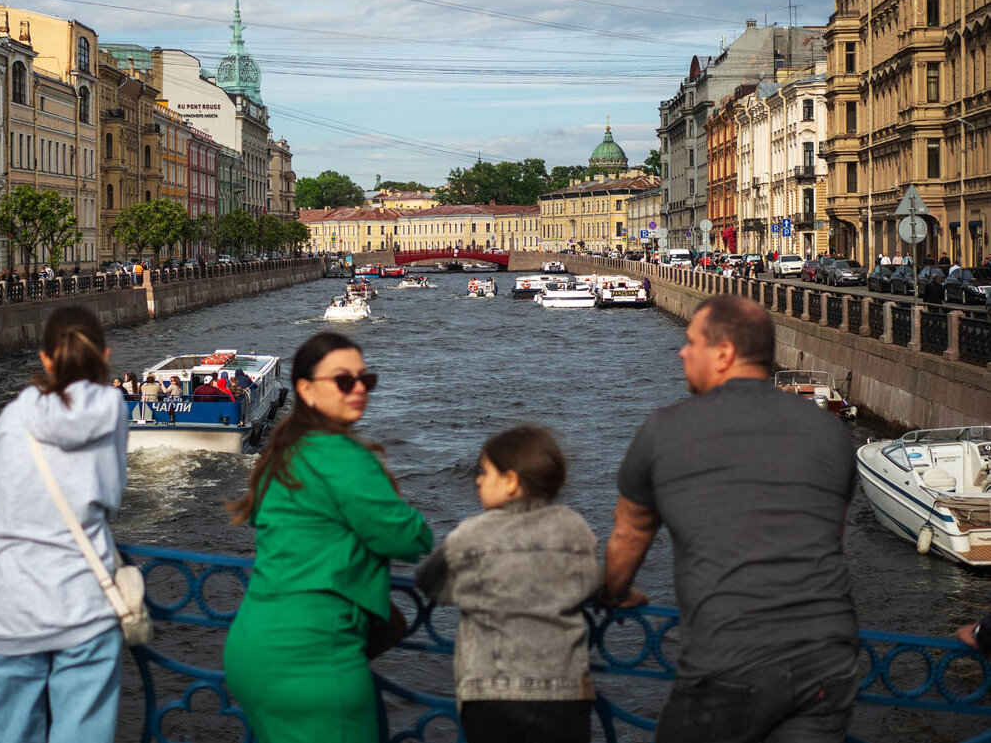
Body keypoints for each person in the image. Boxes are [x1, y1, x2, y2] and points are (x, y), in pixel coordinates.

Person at [602, 295, 859, 743]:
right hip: (827, 662)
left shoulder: (664, 430)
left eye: (691, 342)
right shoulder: (831, 432)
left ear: (723, 354)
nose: (682, 352)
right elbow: (830, 542)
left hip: (730, 663)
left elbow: (628, 535)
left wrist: (614, 592)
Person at [224, 332, 432, 743]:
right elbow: (412, 539)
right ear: (305, 389)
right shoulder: (344, 456)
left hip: (254, 646)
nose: (358, 389)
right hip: (314, 656)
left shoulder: (284, 452)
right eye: (343, 381)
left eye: (364, 380)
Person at [0, 305, 128, 743]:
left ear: (45, 359)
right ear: (105, 355)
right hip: (82, 606)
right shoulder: (113, 408)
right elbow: (108, 496)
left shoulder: (17, 412)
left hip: (8, 608)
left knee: (2, 733)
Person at [415, 426, 599, 743]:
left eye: (485, 473)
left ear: (511, 482)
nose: (477, 480)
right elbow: (590, 584)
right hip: (565, 695)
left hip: (492, 696)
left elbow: (429, 581)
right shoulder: (576, 528)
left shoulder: (471, 534)